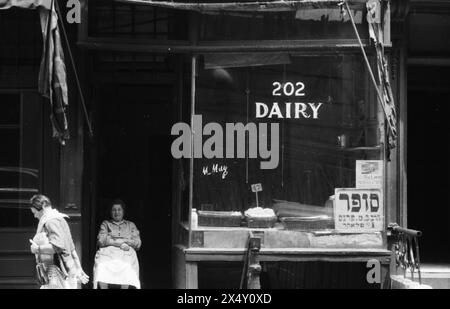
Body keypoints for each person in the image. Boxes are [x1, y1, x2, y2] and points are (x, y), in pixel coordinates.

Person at [29, 194, 89, 289]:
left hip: (56, 272)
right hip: (68, 268)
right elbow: (71, 247)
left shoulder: (50, 222)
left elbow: (57, 246)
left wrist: (37, 249)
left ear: (43, 206)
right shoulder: (60, 219)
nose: (35, 216)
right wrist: (78, 267)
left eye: (35, 212)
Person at [93, 199, 141, 289]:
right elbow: (101, 240)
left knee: (127, 265)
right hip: (108, 253)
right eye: (114, 210)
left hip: (126, 253)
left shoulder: (130, 225)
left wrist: (125, 242)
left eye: (119, 209)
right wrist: (119, 243)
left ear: (123, 211)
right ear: (110, 212)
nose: (117, 212)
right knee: (101, 265)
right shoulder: (106, 224)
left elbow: (138, 243)